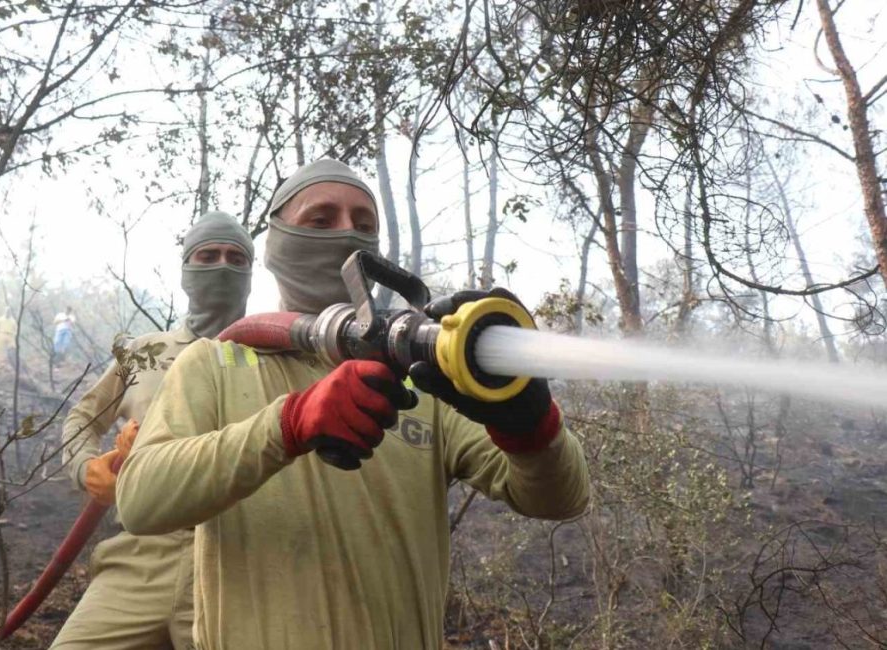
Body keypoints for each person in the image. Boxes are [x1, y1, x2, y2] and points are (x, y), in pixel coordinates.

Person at [117, 159, 590, 650]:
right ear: (278, 242)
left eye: (364, 225)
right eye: (321, 220)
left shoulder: (422, 380)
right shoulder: (216, 362)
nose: (347, 235)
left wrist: (530, 424)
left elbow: (561, 499)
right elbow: (141, 501)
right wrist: (288, 425)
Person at [51, 211, 254, 649]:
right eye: (208, 255)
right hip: (143, 553)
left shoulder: (269, 353)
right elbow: (83, 418)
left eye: (237, 258)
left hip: (240, 558)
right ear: (185, 270)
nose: (223, 266)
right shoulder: (146, 353)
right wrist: (86, 468)